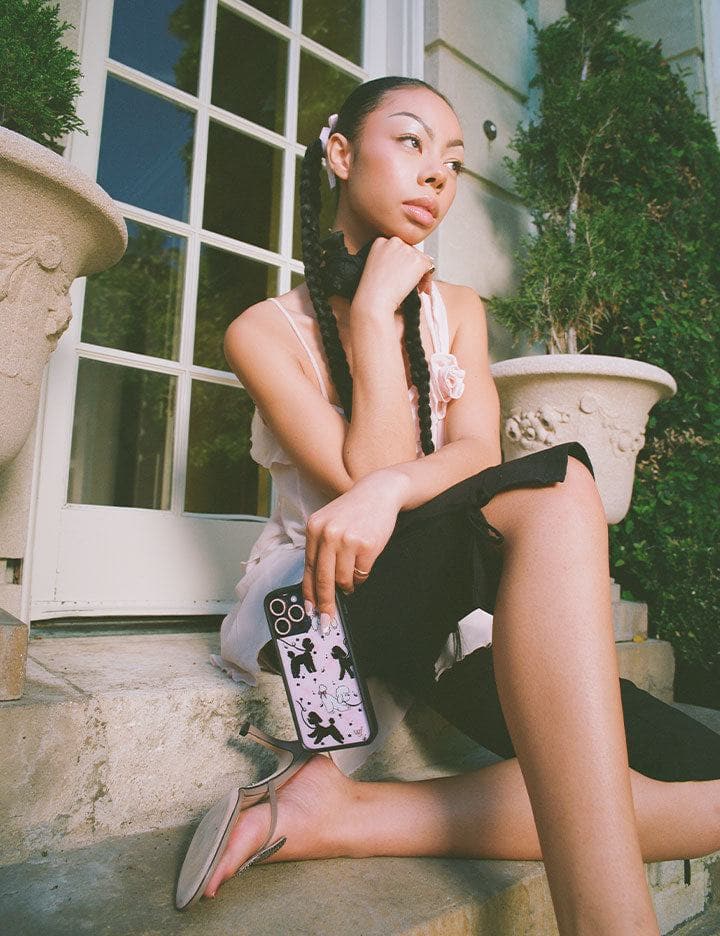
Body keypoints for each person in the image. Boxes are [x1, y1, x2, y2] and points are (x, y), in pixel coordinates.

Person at [176, 76, 720, 933]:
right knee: (561, 487)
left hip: (439, 609)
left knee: (710, 785)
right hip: (318, 605)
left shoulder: (459, 311)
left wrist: (394, 485)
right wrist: (372, 317)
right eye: (411, 142)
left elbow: (470, 457)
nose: (438, 173)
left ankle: (345, 816)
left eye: (455, 161)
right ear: (341, 153)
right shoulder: (262, 331)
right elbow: (367, 472)